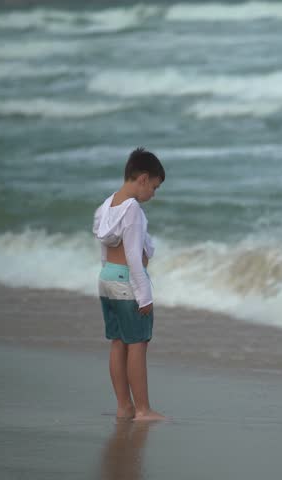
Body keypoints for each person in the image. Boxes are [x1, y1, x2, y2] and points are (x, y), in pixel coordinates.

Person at [93, 147, 166, 422]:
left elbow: (103, 249)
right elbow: (134, 256)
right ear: (143, 179)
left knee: (117, 343)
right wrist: (144, 295)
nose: (153, 195)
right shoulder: (132, 208)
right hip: (127, 282)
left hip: (107, 279)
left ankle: (124, 407)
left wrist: (106, 275)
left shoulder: (107, 204)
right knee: (137, 343)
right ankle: (143, 410)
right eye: (155, 187)